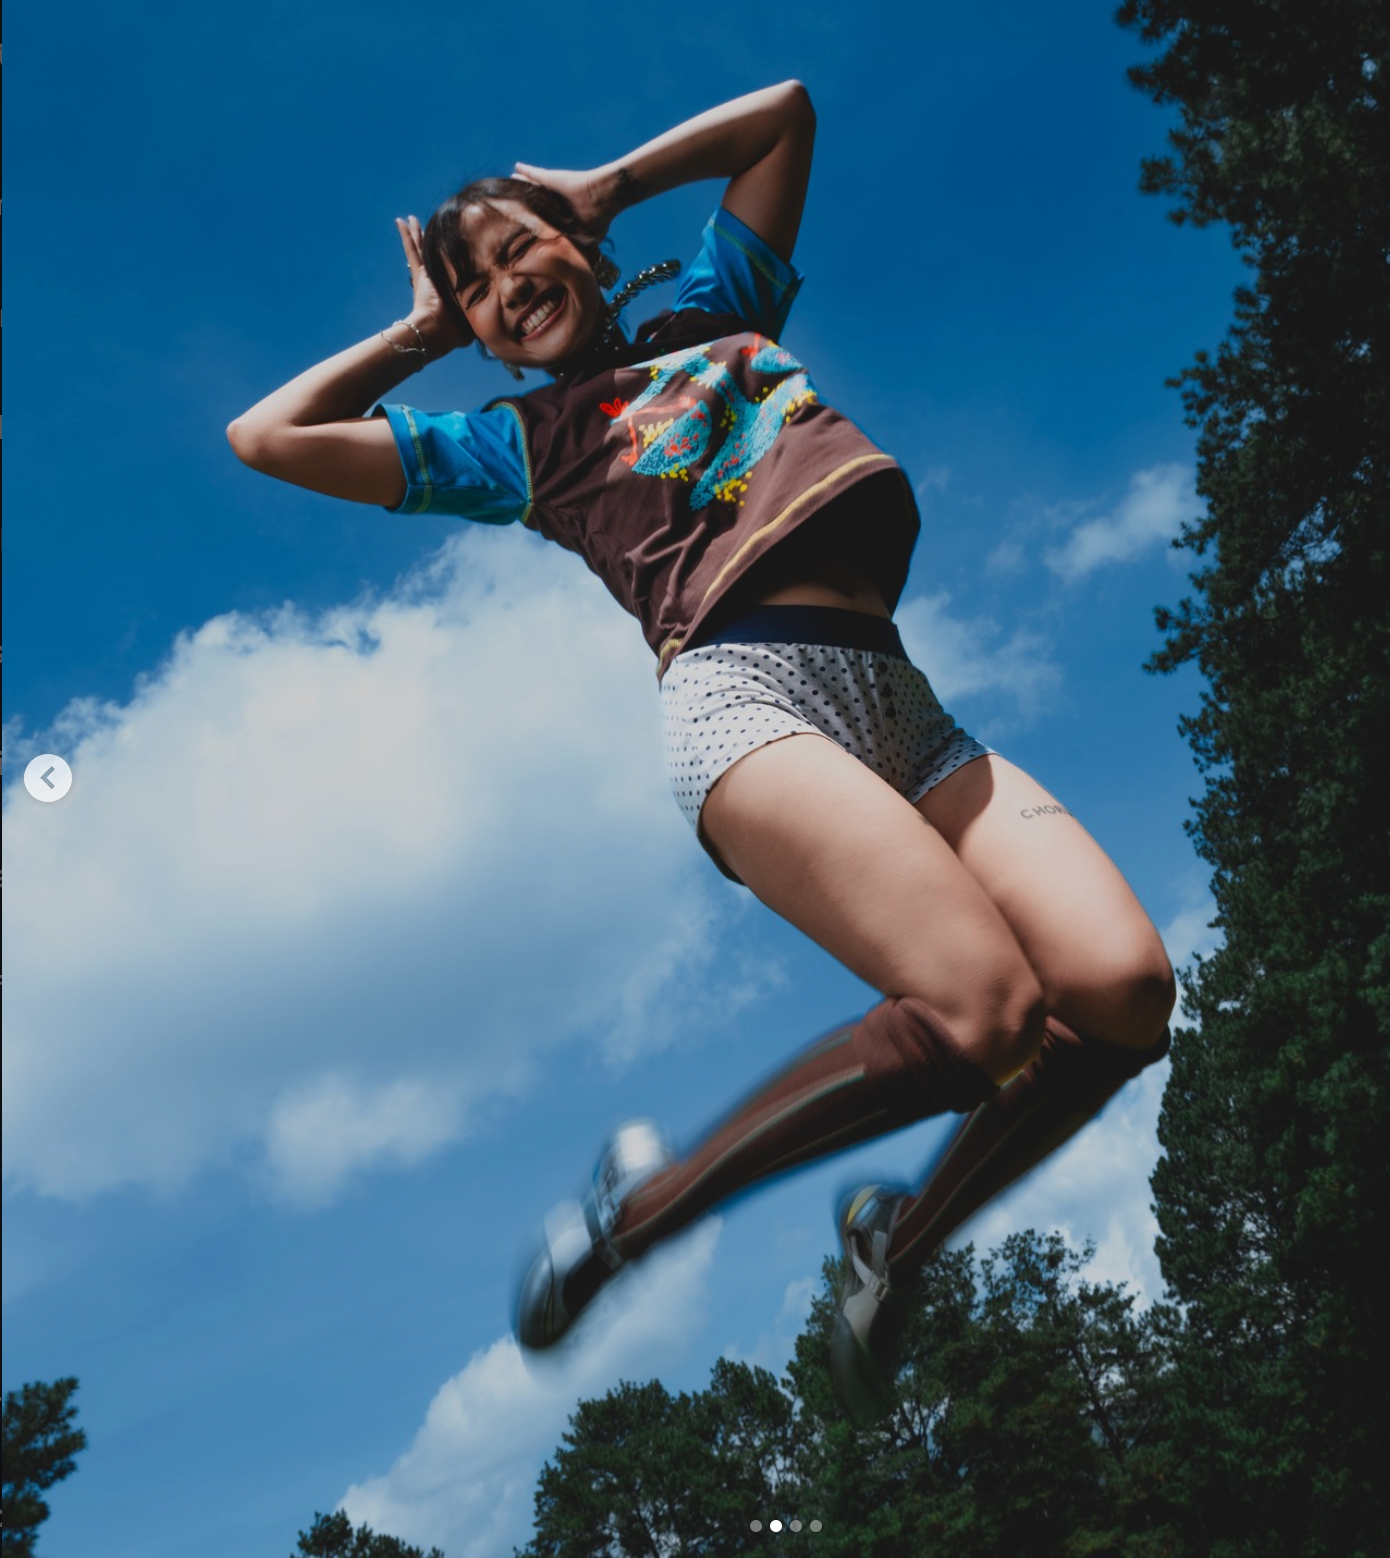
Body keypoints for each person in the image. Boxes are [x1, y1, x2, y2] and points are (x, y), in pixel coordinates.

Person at [227, 81, 1176, 1423]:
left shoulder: (717, 311)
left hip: (901, 705)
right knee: (986, 1011)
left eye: (519, 250)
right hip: (746, 698)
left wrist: (605, 181)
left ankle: (895, 1248)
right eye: (476, 290)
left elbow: (784, 116)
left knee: (1124, 990)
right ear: (479, 337)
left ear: (582, 247)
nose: (505, 289)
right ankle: (641, 1212)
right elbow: (264, 437)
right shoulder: (515, 446)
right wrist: (419, 334)